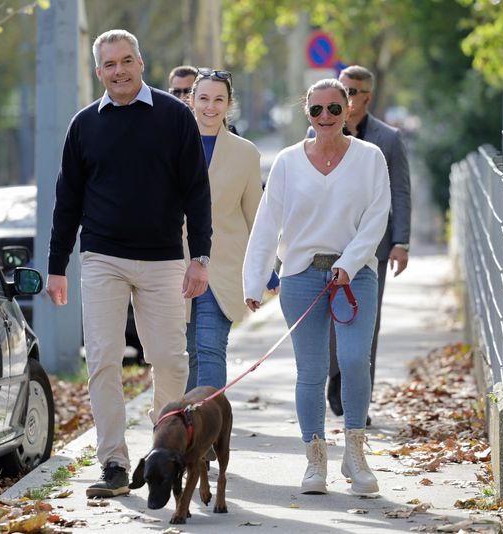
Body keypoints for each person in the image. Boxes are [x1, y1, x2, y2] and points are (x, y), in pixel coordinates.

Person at [46, 29, 212, 499]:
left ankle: (162, 453)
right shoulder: (83, 125)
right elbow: (67, 200)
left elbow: (197, 192)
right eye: (108, 65)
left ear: (141, 63)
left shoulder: (175, 118)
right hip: (102, 258)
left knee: (170, 362)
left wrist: (198, 257)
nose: (117, 71)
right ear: (98, 72)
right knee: (102, 359)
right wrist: (57, 265)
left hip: (163, 260)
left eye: (125, 61)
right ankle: (114, 463)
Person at [243, 79, 391, 496]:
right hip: (301, 276)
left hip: (355, 274)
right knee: (310, 371)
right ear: (306, 114)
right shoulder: (288, 162)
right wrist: (254, 280)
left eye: (333, 109)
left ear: (348, 111)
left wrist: (348, 263)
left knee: (354, 358)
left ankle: (356, 455)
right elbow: (267, 224)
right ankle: (315, 461)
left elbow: (377, 217)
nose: (325, 117)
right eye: (316, 110)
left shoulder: (370, 158)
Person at [324, 65, 411, 422]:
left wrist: (401, 241)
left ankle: (360, 398)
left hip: (373, 248)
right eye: (343, 90)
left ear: (367, 96)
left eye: (354, 92)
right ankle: (336, 383)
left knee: (366, 323)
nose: (347, 98)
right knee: (330, 320)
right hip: (329, 244)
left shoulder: (388, 139)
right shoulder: (324, 128)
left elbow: (401, 192)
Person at [184, 68, 276, 393]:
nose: (211, 106)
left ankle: (205, 434)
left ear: (229, 104)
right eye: (204, 98)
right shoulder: (168, 145)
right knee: (182, 355)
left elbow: (256, 214)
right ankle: (178, 429)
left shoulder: (246, 153)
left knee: (210, 349)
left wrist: (267, 270)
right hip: (172, 265)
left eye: (219, 99)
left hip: (223, 267)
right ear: (191, 100)